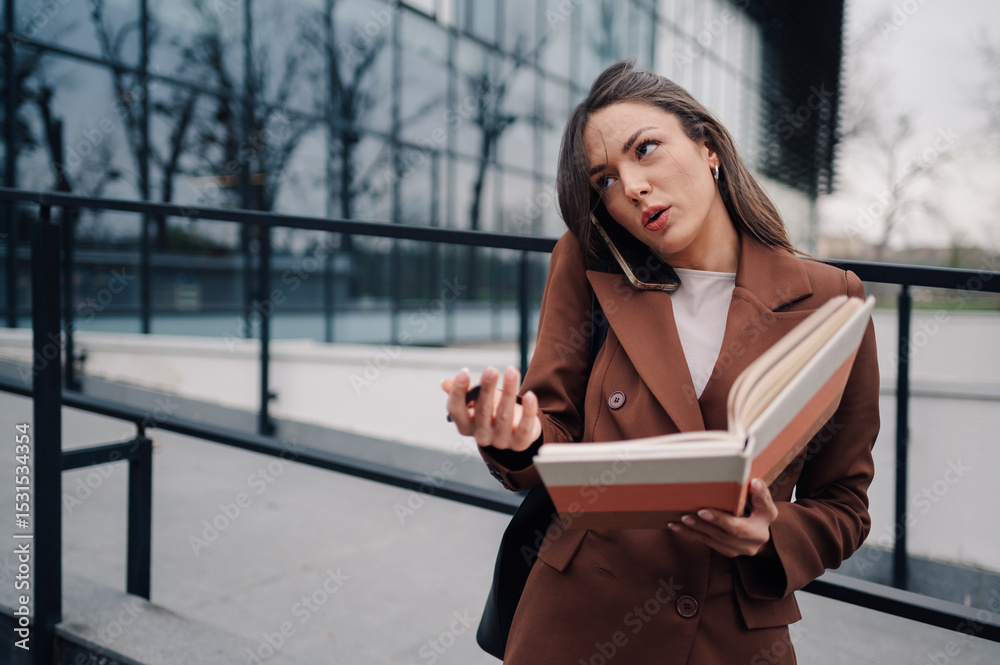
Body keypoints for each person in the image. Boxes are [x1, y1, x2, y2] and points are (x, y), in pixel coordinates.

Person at [441, 60, 879, 665]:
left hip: (728, 632)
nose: (631, 187)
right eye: (604, 181)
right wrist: (518, 438)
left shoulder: (832, 298)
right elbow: (554, 432)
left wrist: (768, 534)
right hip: (578, 621)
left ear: (707, 147)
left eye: (645, 150)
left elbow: (844, 504)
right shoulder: (588, 266)